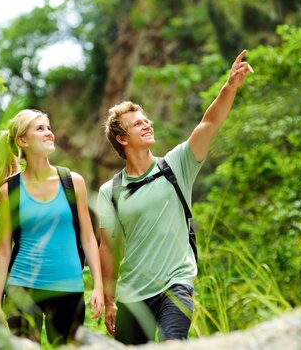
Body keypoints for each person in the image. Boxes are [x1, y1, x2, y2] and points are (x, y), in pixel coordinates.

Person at [97, 50, 253, 344]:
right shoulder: (111, 191)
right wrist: (109, 300)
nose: (147, 125)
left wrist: (229, 87)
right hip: (133, 293)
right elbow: (108, 248)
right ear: (122, 138)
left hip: (176, 283)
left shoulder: (176, 164)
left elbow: (209, 123)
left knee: (173, 343)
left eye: (147, 120)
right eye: (138, 124)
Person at [0, 109, 104, 345]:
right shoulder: (9, 191)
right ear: (23, 141)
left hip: (68, 289)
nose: (49, 133)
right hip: (22, 289)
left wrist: (98, 286)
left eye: (49, 128)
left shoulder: (73, 182)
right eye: (40, 128)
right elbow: (3, 249)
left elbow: (88, 238)